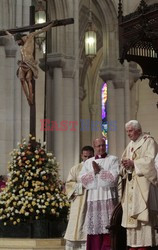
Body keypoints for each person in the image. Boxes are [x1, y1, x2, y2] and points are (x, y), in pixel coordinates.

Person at [120, 120, 158, 250]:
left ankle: (144, 245)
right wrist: (126, 165)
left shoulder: (149, 141)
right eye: (127, 132)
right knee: (132, 215)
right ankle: (134, 245)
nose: (128, 134)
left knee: (143, 216)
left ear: (138, 130)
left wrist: (134, 163)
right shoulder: (131, 144)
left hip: (143, 185)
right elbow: (124, 161)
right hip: (132, 185)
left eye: (130, 131)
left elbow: (150, 161)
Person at [79, 138, 119, 250]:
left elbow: (113, 179)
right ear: (94, 147)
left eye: (102, 145)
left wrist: (100, 171)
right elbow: (82, 180)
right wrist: (94, 172)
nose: (101, 148)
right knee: (95, 228)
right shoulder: (88, 162)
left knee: (108, 227)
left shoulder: (113, 159)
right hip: (94, 198)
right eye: (98, 146)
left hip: (108, 198)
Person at [6, 22, 53, 105]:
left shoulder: (30, 37)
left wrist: (50, 25)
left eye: (19, 42)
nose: (19, 44)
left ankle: (31, 96)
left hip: (29, 64)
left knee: (28, 79)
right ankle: (28, 96)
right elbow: (12, 36)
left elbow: (41, 30)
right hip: (23, 63)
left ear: (21, 38)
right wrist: (6, 32)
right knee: (21, 80)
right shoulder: (20, 43)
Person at [64, 145, 94, 250]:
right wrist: (82, 185)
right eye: (85, 156)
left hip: (90, 203)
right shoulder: (75, 169)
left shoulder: (95, 168)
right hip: (77, 202)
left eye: (90, 157)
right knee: (74, 230)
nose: (87, 159)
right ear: (81, 156)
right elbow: (68, 185)